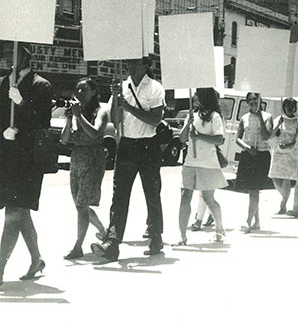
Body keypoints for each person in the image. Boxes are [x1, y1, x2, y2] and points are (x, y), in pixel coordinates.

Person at [91, 57, 166, 261]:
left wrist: (129, 107)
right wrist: (116, 100)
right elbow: (115, 120)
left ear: (146, 65)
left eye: (135, 63)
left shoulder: (155, 88)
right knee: (120, 195)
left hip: (147, 145)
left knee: (151, 193)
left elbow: (155, 119)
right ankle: (112, 243)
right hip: (126, 144)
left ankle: (156, 235)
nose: (130, 66)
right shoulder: (122, 87)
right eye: (129, 63)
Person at [0, 42, 52, 286]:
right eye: (6, 53)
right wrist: (4, 132)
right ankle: (36, 259)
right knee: (21, 212)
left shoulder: (41, 85)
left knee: (15, 211)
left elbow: (43, 123)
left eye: (13, 52)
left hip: (29, 160)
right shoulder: (3, 83)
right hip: (7, 156)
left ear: (26, 55)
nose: (8, 57)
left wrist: (22, 102)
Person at [60, 77, 109, 260]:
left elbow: (96, 133)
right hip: (77, 158)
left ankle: (77, 246)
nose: (79, 93)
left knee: (82, 204)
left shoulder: (100, 112)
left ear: (94, 92)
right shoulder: (76, 113)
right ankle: (103, 232)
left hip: (92, 159)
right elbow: (65, 140)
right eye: (77, 89)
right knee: (80, 205)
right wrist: (69, 118)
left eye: (84, 89)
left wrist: (79, 116)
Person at [176, 88, 227, 244]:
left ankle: (219, 228)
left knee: (208, 199)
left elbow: (219, 139)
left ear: (204, 97)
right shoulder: (192, 115)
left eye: (197, 94)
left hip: (208, 164)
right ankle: (183, 236)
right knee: (185, 198)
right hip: (190, 162)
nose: (194, 96)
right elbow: (182, 138)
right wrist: (188, 123)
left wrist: (199, 136)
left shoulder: (215, 116)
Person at [235, 92, 273, 232]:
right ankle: (256, 221)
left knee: (254, 190)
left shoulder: (267, 116)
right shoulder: (244, 118)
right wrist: (246, 147)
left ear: (260, 100)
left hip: (262, 155)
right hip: (248, 154)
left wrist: (259, 117)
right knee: (252, 190)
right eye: (250, 100)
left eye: (255, 99)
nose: (253, 102)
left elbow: (266, 135)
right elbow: (238, 138)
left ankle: (247, 221)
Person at [268, 97, 298, 214]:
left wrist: (289, 145)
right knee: (274, 177)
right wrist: (278, 125)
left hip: (291, 152)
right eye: (288, 106)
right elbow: (270, 135)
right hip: (278, 151)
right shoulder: (279, 119)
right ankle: (284, 197)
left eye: (292, 107)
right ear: (284, 107)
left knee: (286, 179)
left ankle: (283, 204)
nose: (290, 109)